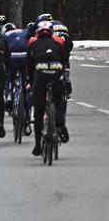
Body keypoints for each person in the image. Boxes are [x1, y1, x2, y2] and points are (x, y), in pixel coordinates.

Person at [27, 21, 68, 155]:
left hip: (40, 73)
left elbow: (30, 65)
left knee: (38, 111)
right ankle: (60, 125)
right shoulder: (59, 42)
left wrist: (29, 81)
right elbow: (63, 60)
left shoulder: (33, 42)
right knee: (58, 100)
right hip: (56, 71)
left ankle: (38, 145)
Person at [3, 23, 30, 126]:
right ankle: (27, 120)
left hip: (12, 55)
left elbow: (4, 53)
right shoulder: (23, 32)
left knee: (10, 75)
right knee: (24, 85)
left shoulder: (5, 36)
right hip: (24, 55)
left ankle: (9, 94)